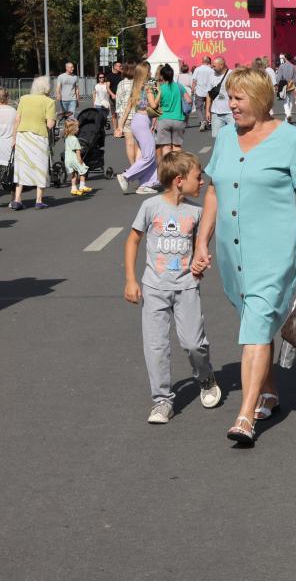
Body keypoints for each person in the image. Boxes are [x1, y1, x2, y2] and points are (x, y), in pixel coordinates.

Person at [192, 68, 296, 446]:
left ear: (261, 98)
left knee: (256, 322)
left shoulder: (292, 140)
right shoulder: (223, 139)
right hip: (231, 252)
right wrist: (201, 242)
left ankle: (245, 415)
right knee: (255, 320)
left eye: (238, 98)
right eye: (228, 98)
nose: (231, 106)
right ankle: (269, 390)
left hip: (274, 249)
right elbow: (214, 193)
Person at [124, 151, 223, 424]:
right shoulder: (151, 207)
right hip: (154, 287)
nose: (201, 182)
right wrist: (131, 279)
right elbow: (133, 241)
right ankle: (162, 401)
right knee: (156, 346)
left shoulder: (197, 212)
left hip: (186, 287)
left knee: (193, 343)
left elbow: (200, 248)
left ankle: (205, 377)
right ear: (179, 180)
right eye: (197, 177)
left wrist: (199, 263)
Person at [10, 75, 56, 210]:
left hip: (22, 136)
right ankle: (38, 200)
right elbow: (50, 124)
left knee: (22, 166)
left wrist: (14, 138)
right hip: (39, 137)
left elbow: (17, 120)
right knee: (40, 166)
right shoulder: (49, 102)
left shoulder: (24, 99)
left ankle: (17, 199)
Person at [116, 62, 160, 195]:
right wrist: (159, 93)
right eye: (149, 71)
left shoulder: (136, 87)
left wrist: (120, 126)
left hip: (137, 121)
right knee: (149, 155)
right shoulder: (147, 88)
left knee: (150, 154)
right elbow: (153, 105)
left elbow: (128, 108)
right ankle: (126, 176)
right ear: (145, 73)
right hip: (142, 121)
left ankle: (147, 183)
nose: (151, 73)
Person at [151, 63, 188, 159]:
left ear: (162, 76)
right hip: (178, 119)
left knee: (166, 147)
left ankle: (168, 168)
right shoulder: (179, 87)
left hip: (164, 119)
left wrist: (153, 123)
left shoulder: (160, 89)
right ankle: (178, 166)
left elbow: (155, 105)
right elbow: (189, 100)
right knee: (177, 146)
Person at [114, 62, 138, 166]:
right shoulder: (139, 83)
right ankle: (139, 164)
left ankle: (133, 166)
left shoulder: (121, 84)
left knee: (129, 143)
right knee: (138, 143)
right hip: (138, 115)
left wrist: (120, 122)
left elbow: (118, 102)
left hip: (125, 116)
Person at [206, 57, 233, 136]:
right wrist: (207, 111)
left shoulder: (232, 74)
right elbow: (209, 94)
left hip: (231, 113)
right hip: (216, 113)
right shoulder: (211, 76)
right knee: (217, 138)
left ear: (221, 65)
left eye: (214, 66)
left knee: (233, 137)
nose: (212, 67)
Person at [191, 56, 216, 131]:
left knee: (199, 108)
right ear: (209, 62)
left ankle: (202, 121)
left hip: (199, 91)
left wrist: (192, 89)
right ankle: (208, 122)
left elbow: (194, 80)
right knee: (208, 108)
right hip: (209, 91)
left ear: (202, 61)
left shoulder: (197, 69)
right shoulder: (211, 70)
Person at [275, 54, 296, 122]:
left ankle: (288, 114)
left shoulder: (281, 66)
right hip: (292, 84)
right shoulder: (294, 67)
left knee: (285, 101)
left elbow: (279, 77)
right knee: (291, 100)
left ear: (285, 58)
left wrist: (277, 84)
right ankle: (288, 116)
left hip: (284, 84)